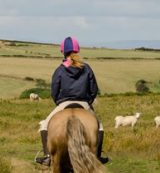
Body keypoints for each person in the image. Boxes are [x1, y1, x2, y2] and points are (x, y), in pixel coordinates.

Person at [35, 36, 108, 166]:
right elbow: (94, 89)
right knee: (100, 127)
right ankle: (98, 156)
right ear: (77, 50)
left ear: (63, 51)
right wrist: (89, 102)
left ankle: (47, 156)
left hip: (63, 103)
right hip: (84, 104)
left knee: (45, 125)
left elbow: (54, 90)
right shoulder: (86, 68)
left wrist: (59, 102)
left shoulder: (60, 69)